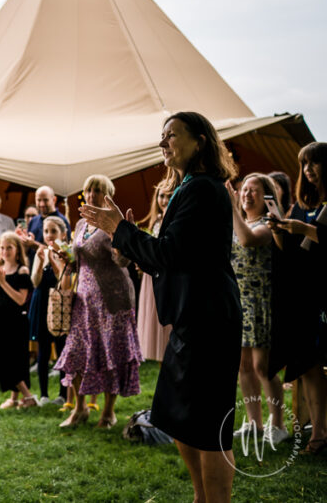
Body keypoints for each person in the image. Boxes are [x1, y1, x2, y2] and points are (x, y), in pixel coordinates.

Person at [83, 112, 241, 503]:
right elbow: (168, 257)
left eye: (172, 135)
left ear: (200, 140)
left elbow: (169, 254)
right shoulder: (188, 186)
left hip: (210, 321)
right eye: (162, 135)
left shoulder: (204, 189)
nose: (162, 142)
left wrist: (120, 230)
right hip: (191, 320)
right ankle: (200, 497)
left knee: (207, 424)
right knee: (180, 417)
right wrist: (131, 240)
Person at [54, 174, 142, 429]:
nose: (91, 195)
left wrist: (120, 248)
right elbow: (80, 259)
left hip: (112, 299)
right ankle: (80, 409)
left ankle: (108, 412)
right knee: (78, 353)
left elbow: (123, 261)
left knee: (111, 353)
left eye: (97, 191)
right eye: (88, 190)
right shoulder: (81, 224)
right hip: (83, 299)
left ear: (107, 196)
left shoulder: (113, 223)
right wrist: (67, 258)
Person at [267, 141, 327, 455]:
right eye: (303, 165)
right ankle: (318, 435)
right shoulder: (305, 204)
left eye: (313, 163)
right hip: (307, 295)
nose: (307, 170)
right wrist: (279, 229)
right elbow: (289, 253)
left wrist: (305, 229)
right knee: (310, 364)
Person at [227, 173, 287, 444]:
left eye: (254, 191)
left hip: (260, 300)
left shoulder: (269, 224)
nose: (247, 195)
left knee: (263, 366)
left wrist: (231, 208)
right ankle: (254, 423)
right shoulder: (236, 223)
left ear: (267, 197)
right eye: (244, 190)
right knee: (243, 367)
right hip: (237, 300)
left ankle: (279, 424)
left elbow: (248, 239)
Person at [0, 231, 37, 409]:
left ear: (17, 250)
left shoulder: (22, 270)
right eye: (2, 247)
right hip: (1, 321)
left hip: (16, 322)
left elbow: (21, 299)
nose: (5, 251)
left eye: (9, 247)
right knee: (3, 358)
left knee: (12, 360)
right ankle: (15, 398)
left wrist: (2, 282)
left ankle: (28, 397)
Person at [28, 216, 69, 405]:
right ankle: (44, 394)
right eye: (46, 231)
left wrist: (53, 259)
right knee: (43, 349)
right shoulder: (40, 252)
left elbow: (64, 279)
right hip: (42, 302)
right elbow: (35, 281)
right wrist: (40, 262)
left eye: (53, 231)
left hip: (60, 305)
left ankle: (63, 394)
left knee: (62, 349)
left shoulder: (66, 252)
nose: (49, 235)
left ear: (62, 233)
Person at [137, 180, 174, 362]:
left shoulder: (175, 220)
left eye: (169, 195)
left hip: (167, 277)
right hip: (150, 277)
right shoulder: (155, 222)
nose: (164, 199)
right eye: (161, 195)